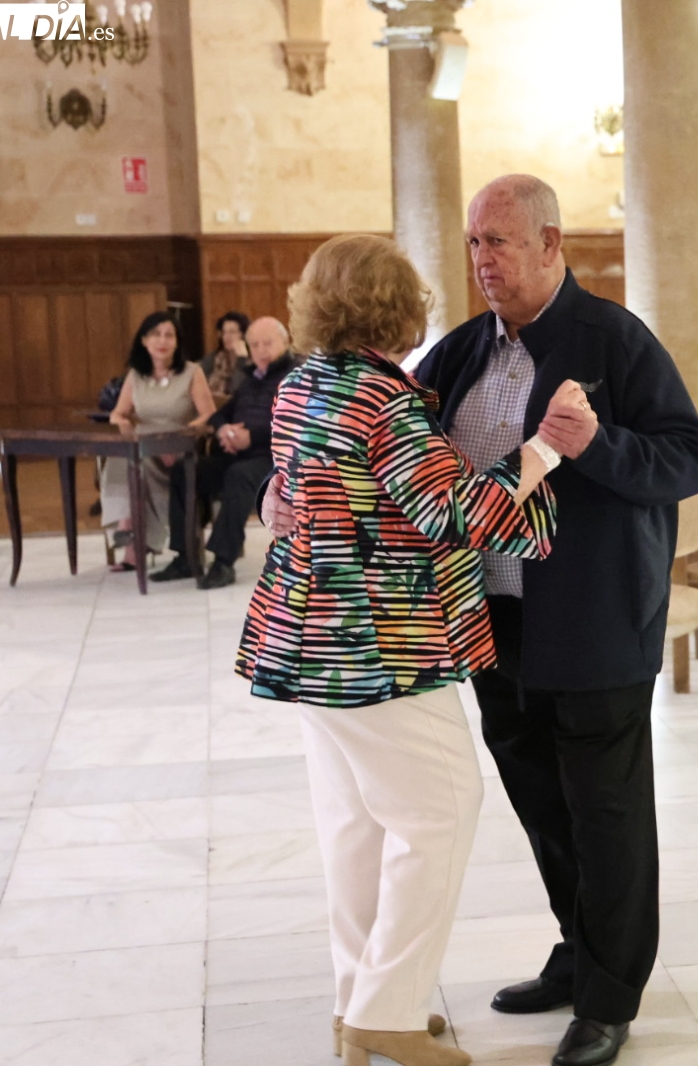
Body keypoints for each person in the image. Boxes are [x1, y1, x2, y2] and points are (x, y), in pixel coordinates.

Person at [264, 174, 698, 1066]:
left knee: (606, 813)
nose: (482, 261)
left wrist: (595, 445)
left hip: (592, 621)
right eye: (473, 243)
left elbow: (690, 459)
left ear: (552, 244)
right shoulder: (461, 351)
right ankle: (575, 952)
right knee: (541, 804)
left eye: (499, 242)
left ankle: (610, 997)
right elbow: (385, 454)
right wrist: (292, 488)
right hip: (491, 627)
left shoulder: (613, 340)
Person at [237, 233, 565, 1066]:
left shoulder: (302, 384)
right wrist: (546, 448)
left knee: (357, 826)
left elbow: (297, 492)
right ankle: (385, 1011)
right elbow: (452, 514)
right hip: (376, 644)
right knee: (442, 807)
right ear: (399, 307)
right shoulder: (383, 401)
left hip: (307, 635)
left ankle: (361, 1003)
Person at [155, 316, 295, 589]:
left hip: (271, 460)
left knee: (238, 476)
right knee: (186, 471)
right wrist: (224, 432)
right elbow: (220, 415)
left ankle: (223, 562)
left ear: (285, 342)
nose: (261, 350)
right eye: (255, 345)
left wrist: (250, 437)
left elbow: (294, 425)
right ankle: (186, 556)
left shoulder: (294, 377)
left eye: (268, 343)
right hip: (235, 452)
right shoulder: (251, 379)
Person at [102, 311, 215, 570]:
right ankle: (129, 531)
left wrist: (179, 437)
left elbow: (209, 414)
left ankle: (131, 539)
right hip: (144, 448)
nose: (162, 341)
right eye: (155, 334)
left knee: (131, 461)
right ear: (144, 340)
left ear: (177, 342)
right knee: (123, 455)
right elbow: (118, 413)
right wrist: (123, 426)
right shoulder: (136, 375)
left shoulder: (190, 372)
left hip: (180, 450)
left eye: (169, 335)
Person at [201, 311, 251, 407]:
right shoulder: (213, 359)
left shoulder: (254, 362)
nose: (226, 337)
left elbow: (237, 391)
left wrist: (241, 360)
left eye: (232, 332)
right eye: (224, 332)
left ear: (243, 334)